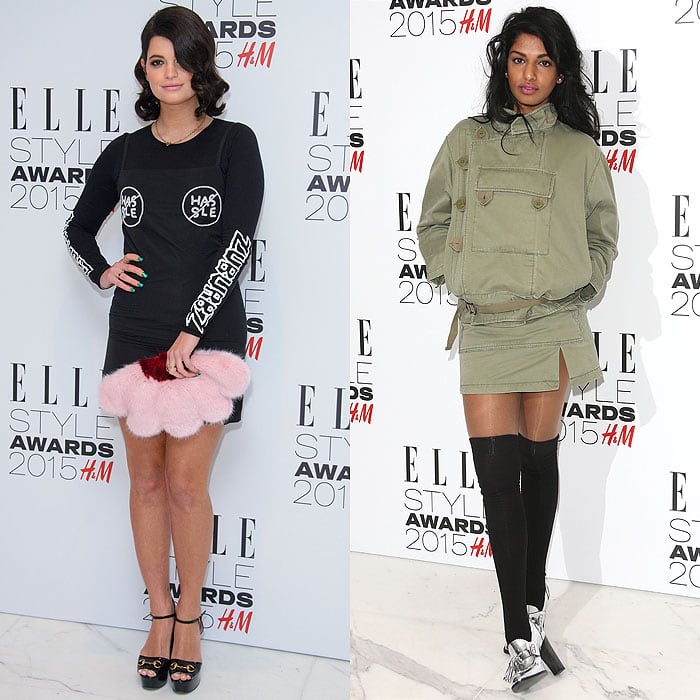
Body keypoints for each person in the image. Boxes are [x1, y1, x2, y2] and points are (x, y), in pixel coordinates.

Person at [417, 6, 618, 693]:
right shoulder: (466, 139)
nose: (529, 74)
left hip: (552, 324)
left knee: (539, 465)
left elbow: (603, 234)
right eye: (518, 59)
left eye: (544, 62)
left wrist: (584, 280)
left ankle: (531, 603)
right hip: (487, 325)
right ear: (503, 65)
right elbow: (431, 221)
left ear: (561, 73)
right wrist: (458, 271)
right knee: (498, 482)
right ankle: (517, 634)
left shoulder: (578, 150)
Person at [63, 6, 264, 693]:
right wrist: (102, 270)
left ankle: (191, 620)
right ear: (144, 71)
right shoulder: (124, 151)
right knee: (145, 481)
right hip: (135, 337)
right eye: (156, 61)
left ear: (200, 65)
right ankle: (158, 617)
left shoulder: (235, 142)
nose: (169, 72)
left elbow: (238, 242)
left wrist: (193, 328)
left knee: (185, 484)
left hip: (206, 342)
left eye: (180, 58)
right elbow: (77, 229)